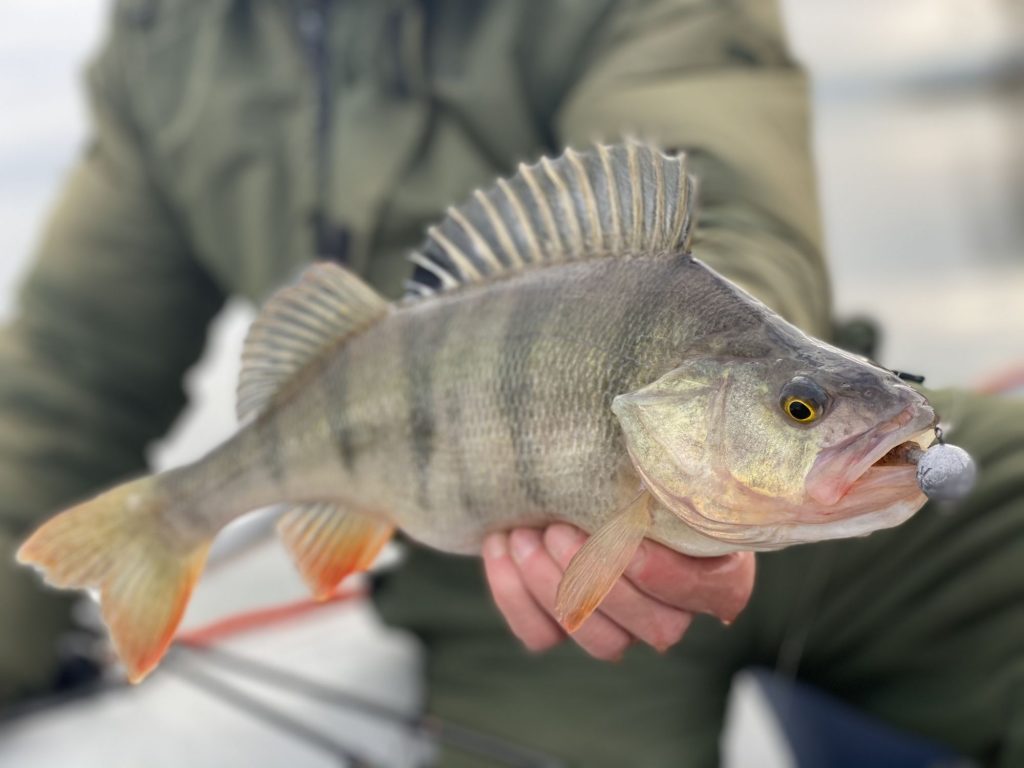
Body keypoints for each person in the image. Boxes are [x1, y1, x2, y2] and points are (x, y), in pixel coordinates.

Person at [0, 0, 1020, 765]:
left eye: (795, 411)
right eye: (799, 412)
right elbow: (61, 386)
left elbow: (718, 167)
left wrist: (772, 365)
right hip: (506, 602)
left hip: (840, 552)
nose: (804, 417)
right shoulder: (168, 41)